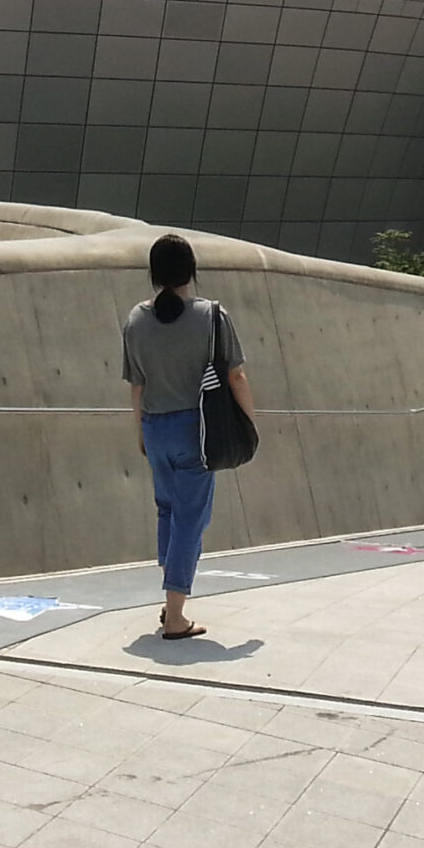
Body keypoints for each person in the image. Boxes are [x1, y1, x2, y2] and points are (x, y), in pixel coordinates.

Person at [122, 235, 253, 640]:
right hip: (194, 430)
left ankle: (170, 598)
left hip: (154, 427)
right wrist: (248, 420)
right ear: (191, 271)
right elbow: (235, 375)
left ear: (154, 273)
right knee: (191, 519)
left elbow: (136, 385)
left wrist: (139, 430)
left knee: (168, 511)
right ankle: (176, 615)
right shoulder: (212, 315)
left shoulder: (136, 320)